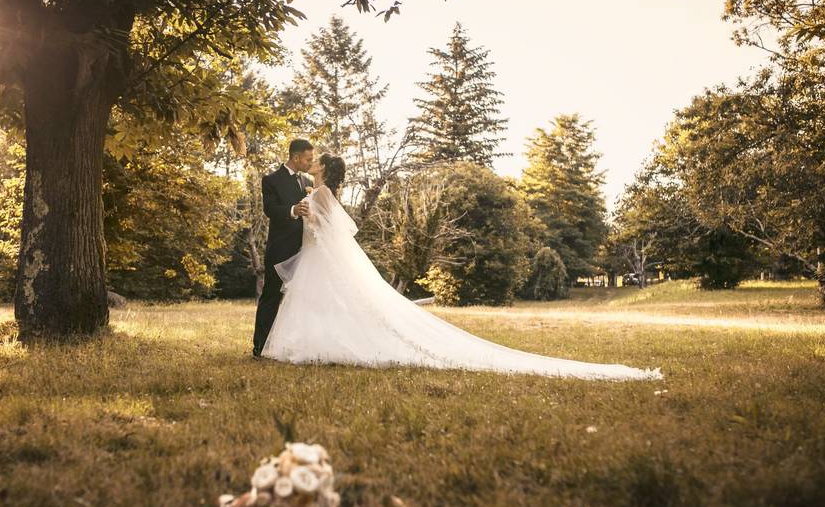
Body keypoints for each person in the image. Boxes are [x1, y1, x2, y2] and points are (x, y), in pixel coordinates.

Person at [262, 153, 663, 381]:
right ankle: (312, 345)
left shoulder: (323, 193)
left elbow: (337, 228)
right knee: (322, 305)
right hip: (317, 259)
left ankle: (320, 346)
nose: (312, 165)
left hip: (322, 260)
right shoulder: (316, 191)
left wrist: (306, 214)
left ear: (326, 171)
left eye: (317, 165)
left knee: (327, 303)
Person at [252, 139, 314, 358]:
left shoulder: (308, 180)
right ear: (295, 157)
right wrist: (293, 210)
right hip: (280, 248)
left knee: (302, 298)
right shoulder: (271, 180)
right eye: (308, 159)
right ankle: (259, 347)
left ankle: (294, 345)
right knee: (271, 296)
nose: (310, 163)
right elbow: (270, 210)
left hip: (305, 249)